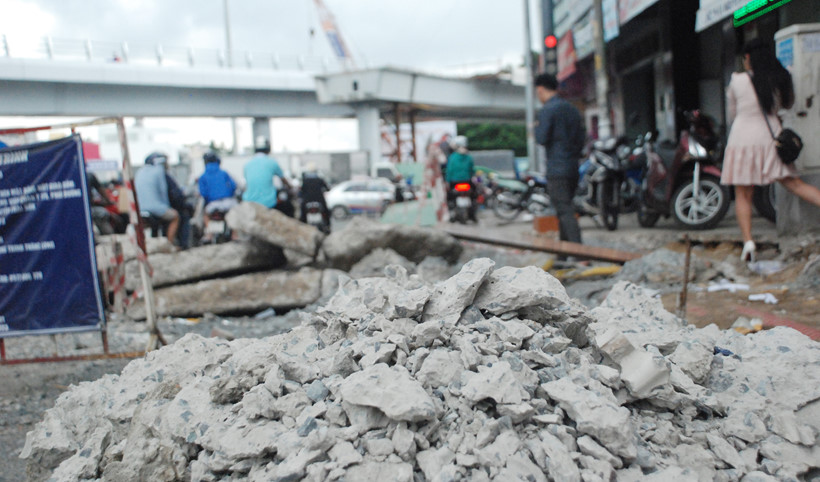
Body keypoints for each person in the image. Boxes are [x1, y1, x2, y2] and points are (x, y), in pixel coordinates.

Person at [721, 39, 820, 263]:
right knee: (795, 185)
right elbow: (787, 106)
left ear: (748, 58)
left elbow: (732, 113)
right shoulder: (780, 78)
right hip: (771, 138)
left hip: (742, 139)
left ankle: (748, 243)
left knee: (743, 194)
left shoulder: (737, 80)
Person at [534, 72, 586, 246]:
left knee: (564, 210)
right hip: (573, 166)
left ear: (541, 90)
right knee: (564, 208)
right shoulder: (572, 109)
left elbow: (541, 138)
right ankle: (564, 253)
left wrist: (536, 127)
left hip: (557, 168)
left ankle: (579, 253)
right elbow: (581, 138)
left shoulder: (548, 110)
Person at [134, 152, 179, 246]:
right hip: (155, 208)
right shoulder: (159, 171)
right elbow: (163, 191)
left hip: (140, 209)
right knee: (175, 216)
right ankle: (169, 244)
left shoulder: (140, 171)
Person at [243, 137, 291, 215]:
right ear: (268, 149)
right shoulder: (272, 162)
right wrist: (290, 187)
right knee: (288, 207)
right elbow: (283, 179)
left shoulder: (247, 165)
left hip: (249, 202)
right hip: (268, 203)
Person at [198, 151, 237, 240]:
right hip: (229, 202)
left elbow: (203, 193)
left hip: (213, 204)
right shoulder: (224, 173)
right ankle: (235, 235)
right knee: (235, 215)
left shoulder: (203, 176)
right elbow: (233, 186)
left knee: (205, 215)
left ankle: (209, 235)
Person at [445, 135, 477, 222]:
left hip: (455, 182)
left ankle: (451, 214)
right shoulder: (469, 157)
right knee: (474, 196)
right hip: (467, 182)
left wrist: (447, 182)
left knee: (450, 197)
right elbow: (472, 170)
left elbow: (449, 171)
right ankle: (472, 215)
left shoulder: (452, 157)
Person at [298, 162, 331, 227]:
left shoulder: (305, 180)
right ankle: (327, 225)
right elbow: (327, 188)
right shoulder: (319, 179)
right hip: (319, 199)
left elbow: (301, 191)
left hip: (307, 200)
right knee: (326, 211)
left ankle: (302, 226)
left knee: (303, 213)